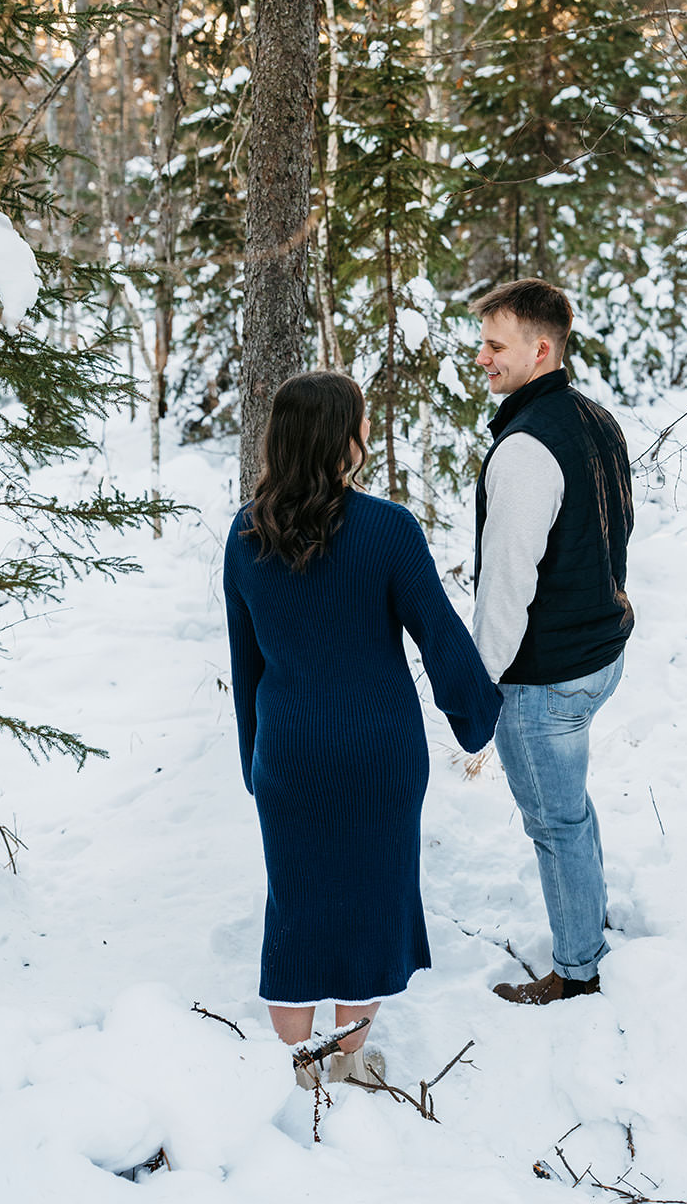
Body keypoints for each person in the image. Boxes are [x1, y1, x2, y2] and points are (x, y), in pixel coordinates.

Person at [223, 370, 501, 1087]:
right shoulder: (386, 528)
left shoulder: (246, 533)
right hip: (379, 753)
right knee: (371, 905)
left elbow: (244, 660)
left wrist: (254, 759)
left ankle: (299, 1069)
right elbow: (438, 635)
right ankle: (346, 1064)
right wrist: (476, 717)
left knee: (298, 906)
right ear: (344, 437)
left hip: (289, 752)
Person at [470, 279, 634, 1006]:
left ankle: (576, 972)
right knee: (569, 806)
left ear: (541, 349)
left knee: (554, 820)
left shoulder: (525, 447)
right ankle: (587, 920)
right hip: (600, 653)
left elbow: (506, 585)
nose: (481, 358)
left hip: (547, 676)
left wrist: (478, 685)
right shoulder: (593, 418)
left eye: (494, 345)